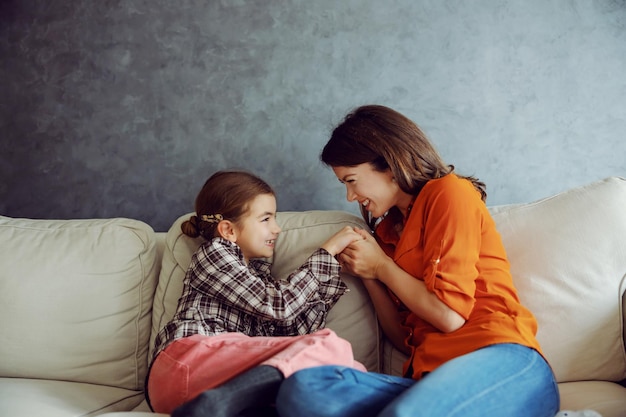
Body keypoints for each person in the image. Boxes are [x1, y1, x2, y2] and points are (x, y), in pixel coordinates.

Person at [275, 105, 561, 417]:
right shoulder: (385, 234)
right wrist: (369, 272)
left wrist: (383, 268)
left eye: (352, 180)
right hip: (429, 379)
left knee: (408, 413)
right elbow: (402, 339)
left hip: (502, 360)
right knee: (304, 390)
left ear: (389, 165)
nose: (350, 196)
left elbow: (450, 316)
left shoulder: (449, 193)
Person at [145, 170, 366, 417]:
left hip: (207, 388)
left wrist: (331, 270)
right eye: (266, 219)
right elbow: (280, 307)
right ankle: (223, 401)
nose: (277, 229)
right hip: (184, 365)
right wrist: (327, 252)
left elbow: (293, 335)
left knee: (350, 368)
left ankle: (226, 403)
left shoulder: (259, 278)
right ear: (228, 230)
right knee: (329, 344)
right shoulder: (214, 254)